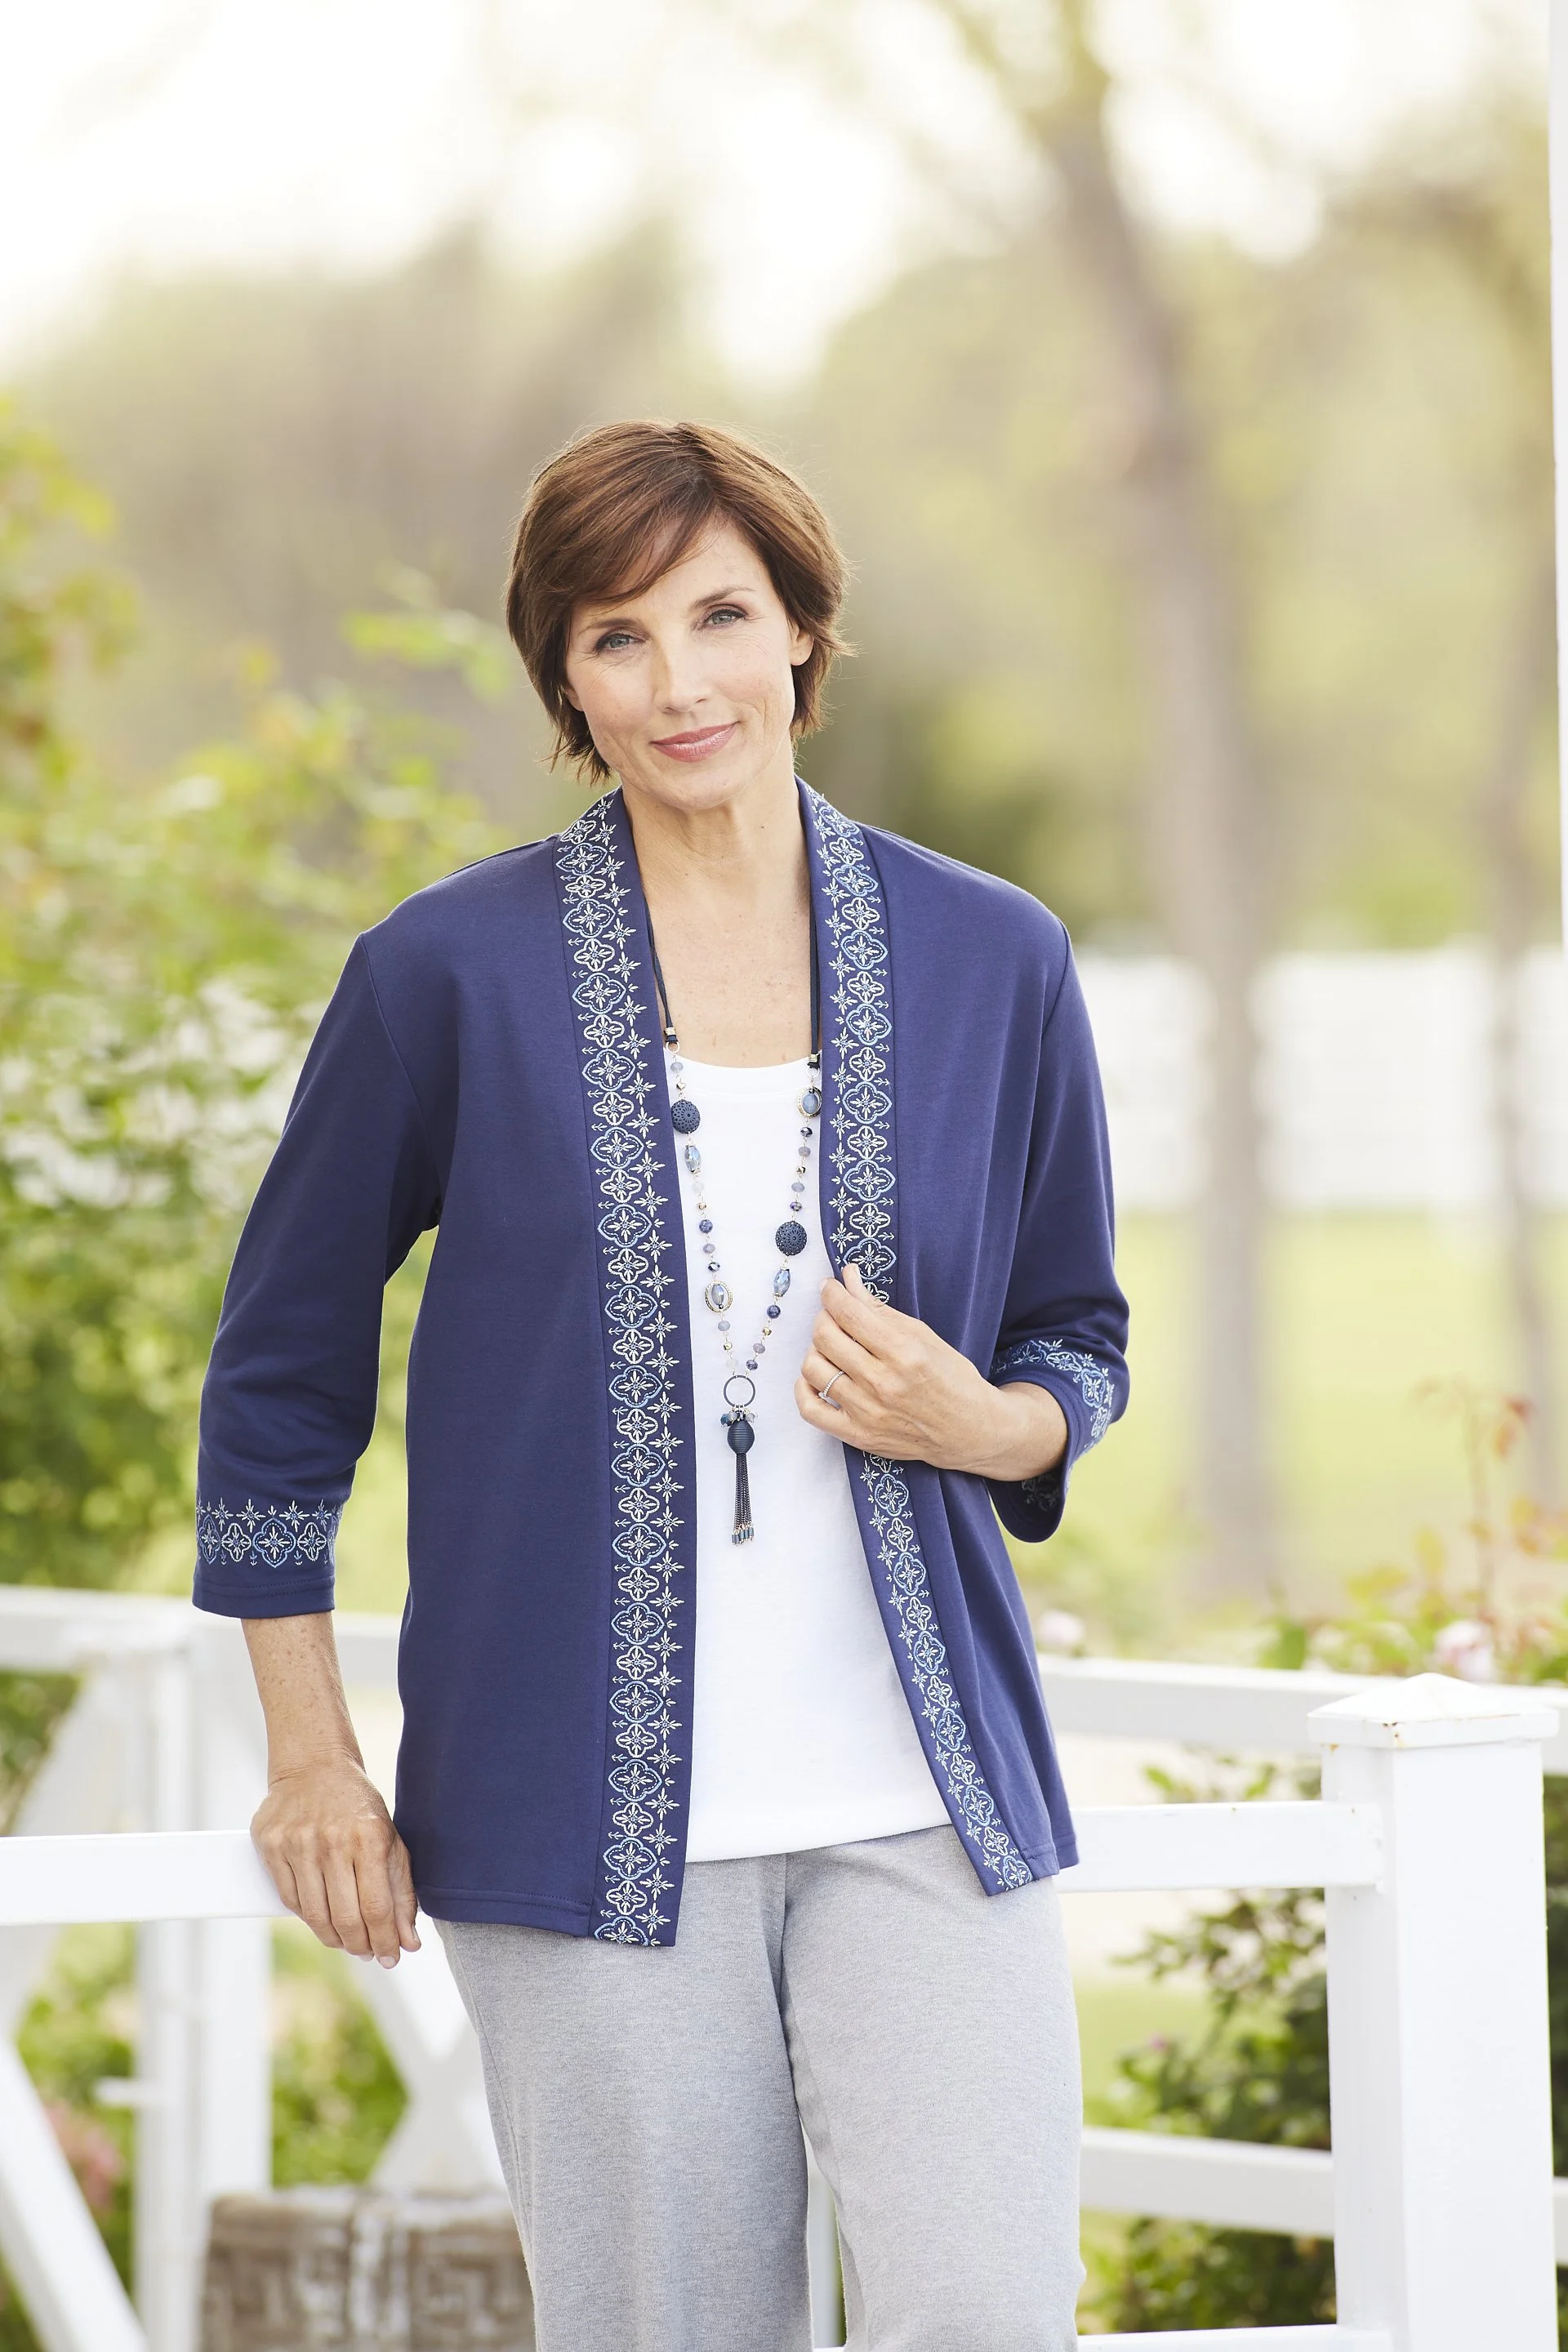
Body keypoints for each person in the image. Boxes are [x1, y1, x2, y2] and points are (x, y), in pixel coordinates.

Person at [194, 418, 1129, 2351]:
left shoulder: (992, 958)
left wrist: (991, 1424)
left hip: (925, 1795)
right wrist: (309, 1757)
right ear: (564, 679)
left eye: (721, 614)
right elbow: (278, 1380)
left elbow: (1078, 1338)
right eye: (616, 636)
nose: (680, 680)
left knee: (986, 2308)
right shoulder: (442, 976)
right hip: (575, 1823)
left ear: (803, 627)